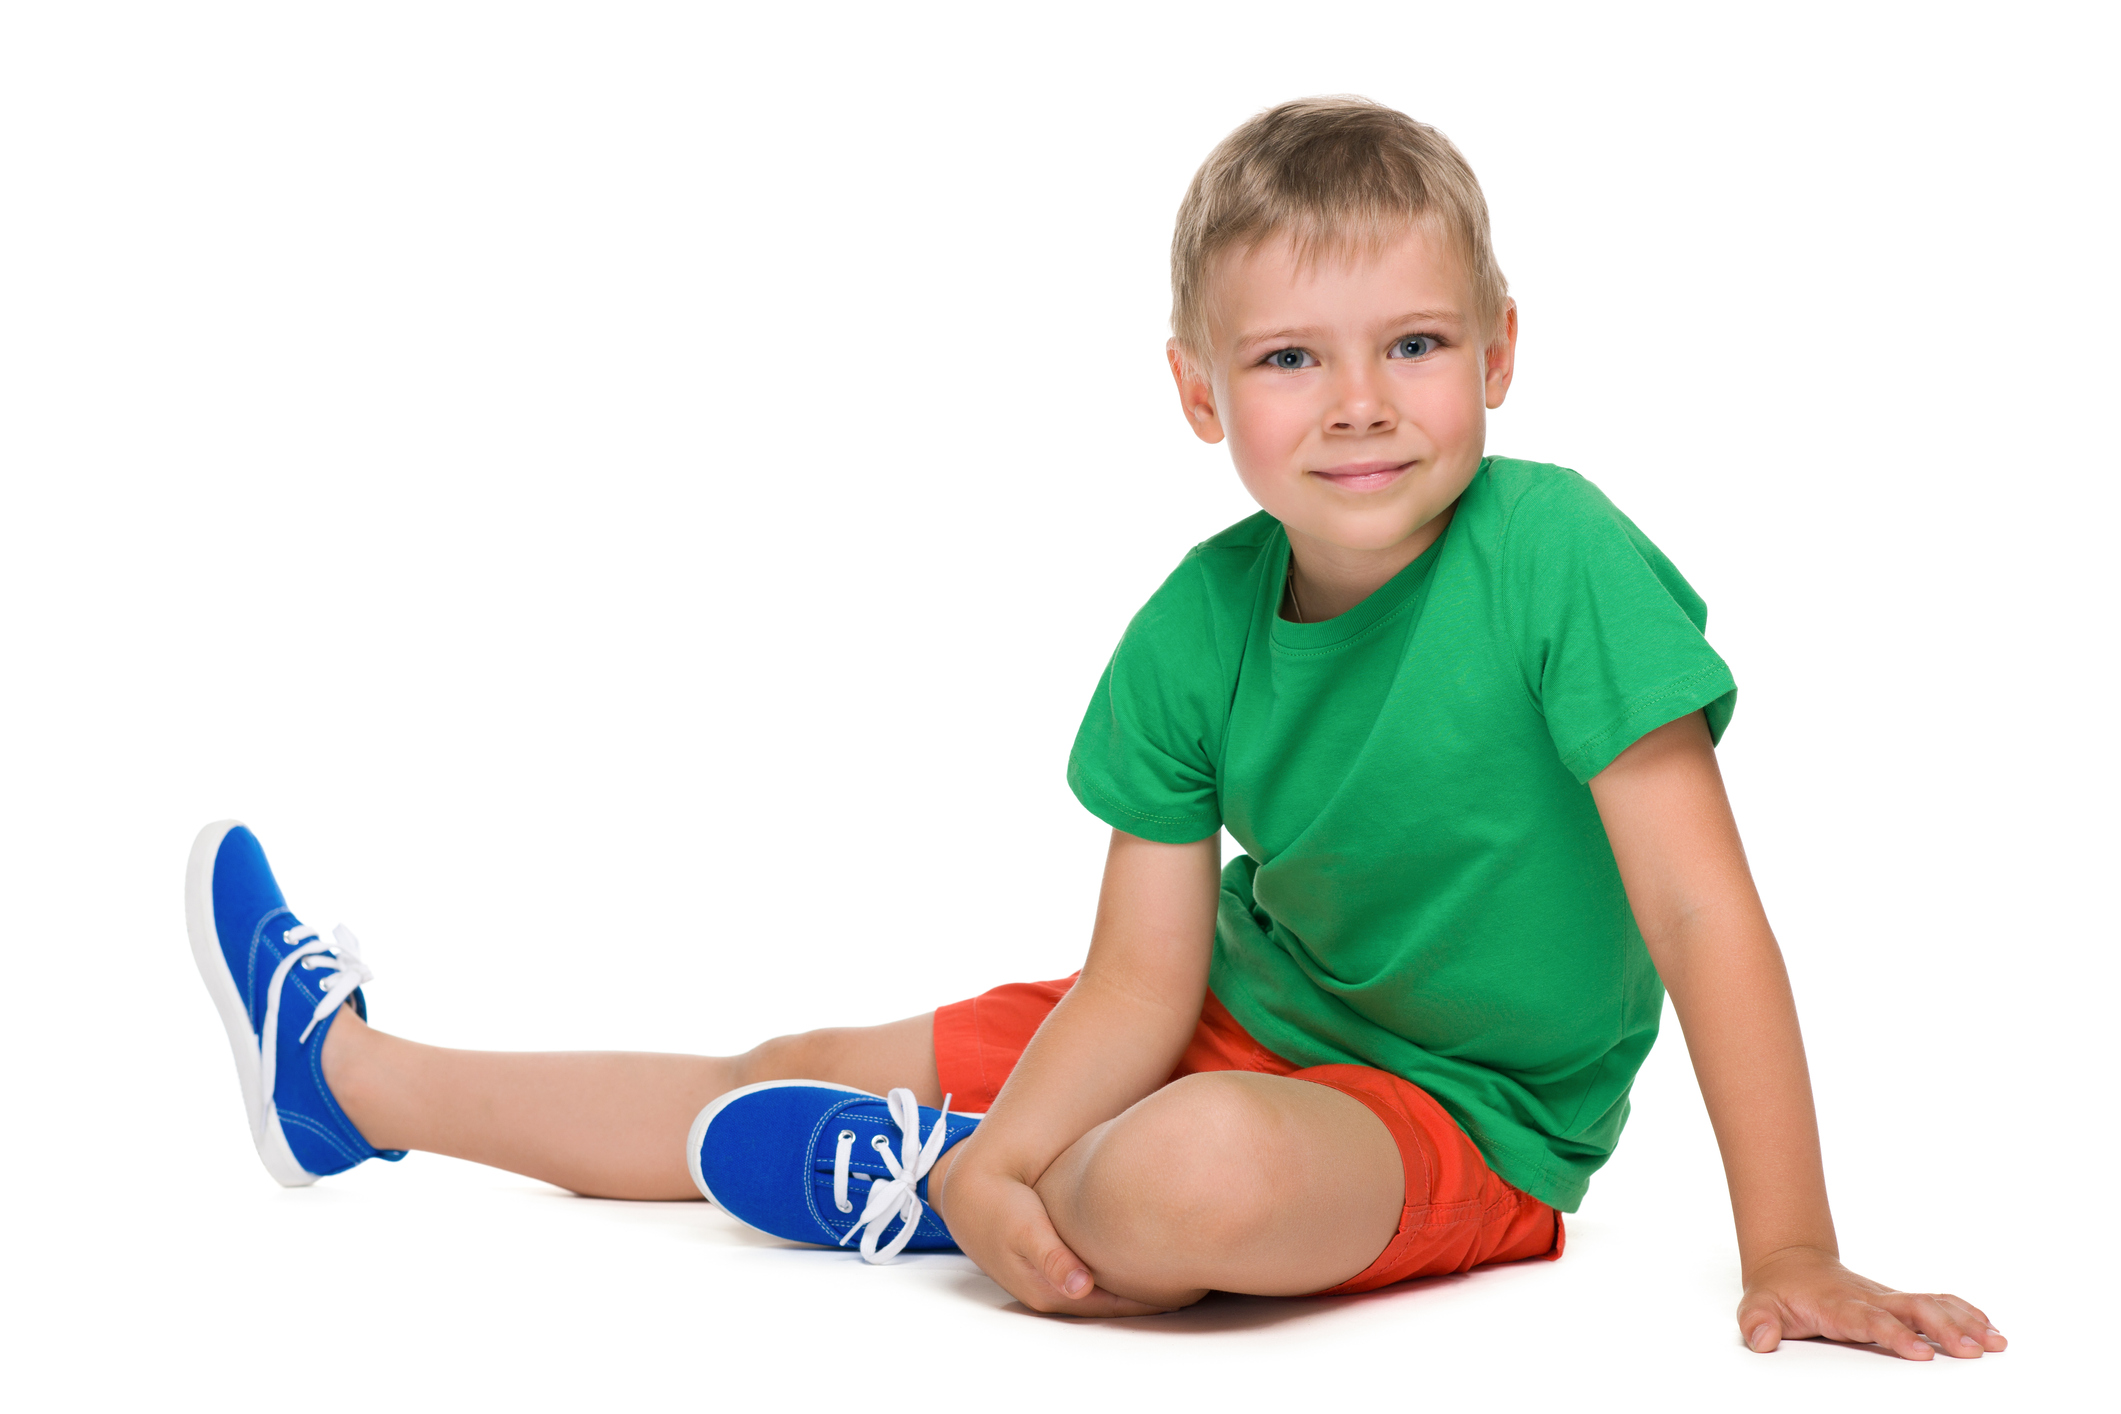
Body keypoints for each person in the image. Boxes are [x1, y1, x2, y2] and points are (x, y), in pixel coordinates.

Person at [185, 95, 2003, 1358]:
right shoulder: (1189, 627)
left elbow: (1700, 917)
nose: (1359, 404)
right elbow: (1138, 986)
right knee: (787, 1065)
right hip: (1224, 1009)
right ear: (1196, 390)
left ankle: (977, 1202)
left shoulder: (1560, 556)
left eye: (1414, 346)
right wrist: (1009, 1135)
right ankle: (348, 1077)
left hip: (1460, 1112)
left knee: (1188, 1172)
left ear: (1501, 354)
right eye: (1291, 357)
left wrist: (1791, 1248)